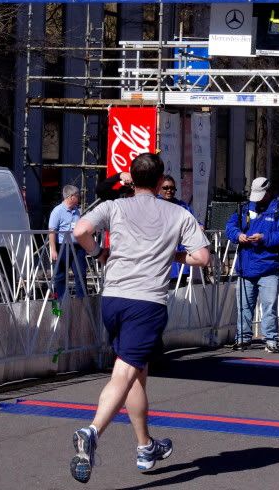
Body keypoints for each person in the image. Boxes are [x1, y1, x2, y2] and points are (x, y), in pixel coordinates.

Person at [68, 152, 210, 483]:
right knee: (124, 372)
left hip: (113, 298)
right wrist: (176, 255)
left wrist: (98, 253)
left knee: (135, 372)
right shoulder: (178, 213)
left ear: (131, 179)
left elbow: (80, 230)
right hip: (146, 302)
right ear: (161, 182)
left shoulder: (114, 206)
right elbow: (202, 257)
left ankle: (146, 446)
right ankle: (92, 432)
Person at [226, 176, 279, 353]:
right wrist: (238, 235)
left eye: (261, 195)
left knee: (269, 306)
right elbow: (230, 226)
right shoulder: (244, 208)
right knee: (244, 306)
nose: (257, 200)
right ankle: (243, 338)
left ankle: (270, 340)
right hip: (246, 266)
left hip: (270, 266)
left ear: (269, 192)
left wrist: (264, 238)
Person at [49, 185, 88, 299]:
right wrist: (53, 250)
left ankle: (82, 302)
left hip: (77, 247)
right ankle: (60, 303)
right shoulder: (57, 211)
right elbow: (52, 231)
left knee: (81, 274)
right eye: (77, 196)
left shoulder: (77, 211)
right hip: (63, 246)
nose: (79, 198)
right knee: (60, 276)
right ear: (71, 197)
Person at [158, 175, 196, 284]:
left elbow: (193, 221)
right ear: (159, 188)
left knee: (181, 291)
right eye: (165, 188)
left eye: (172, 188)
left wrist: (199, 226)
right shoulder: (154, 204)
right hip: (161, 261)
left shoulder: (183, 206)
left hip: (181, 261)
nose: (169, 190)